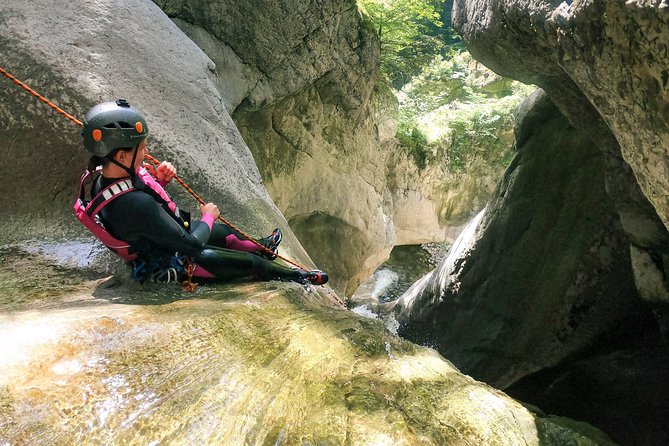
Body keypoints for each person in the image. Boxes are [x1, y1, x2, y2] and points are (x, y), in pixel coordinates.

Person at [78, 99, 327, 286]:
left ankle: (262, 247)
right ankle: (298, 277)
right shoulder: (134, 204)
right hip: (176, 261)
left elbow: (141, 208)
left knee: (225, 234)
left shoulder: (105, 179)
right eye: (141, 149)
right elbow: (193, 246)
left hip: (165, 238)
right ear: (121, 156)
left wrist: (159, 182)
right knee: (251, 265)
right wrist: (208, 216)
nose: (146, 153)